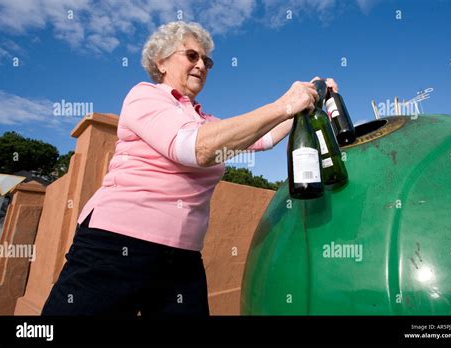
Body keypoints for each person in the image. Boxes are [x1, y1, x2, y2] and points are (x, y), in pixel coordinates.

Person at [41, 21, 338, 317]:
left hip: (182, 256)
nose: (201, 65)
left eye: (206, 60)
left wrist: (310, 98)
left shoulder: (203, 120)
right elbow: (196, 149)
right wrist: (283, 105)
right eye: (192, 56)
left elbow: (265, 136)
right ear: (161, 62)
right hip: (116, 246)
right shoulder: (145, 95)